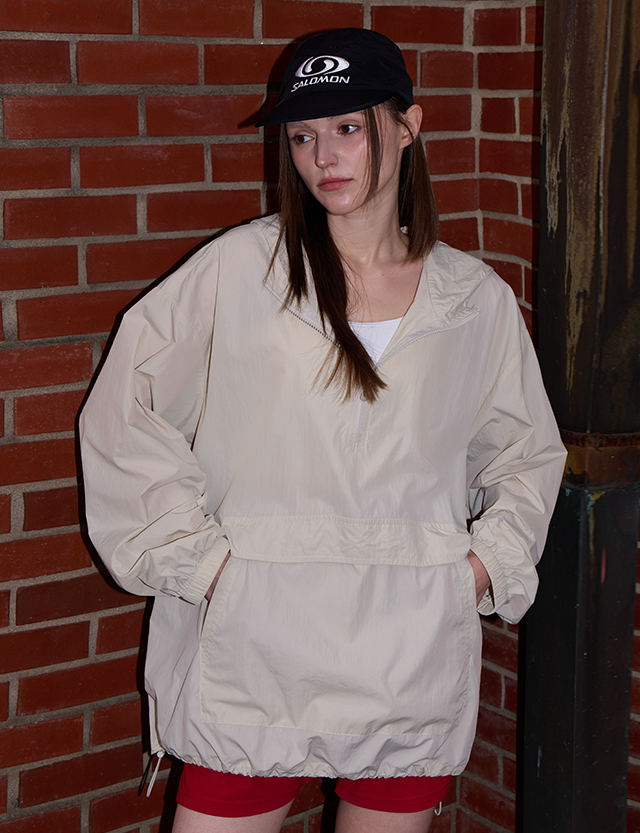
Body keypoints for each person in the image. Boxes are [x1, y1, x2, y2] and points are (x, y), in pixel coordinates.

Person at [79, 28, 566, 833]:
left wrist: (480, 570)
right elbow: (124, 408)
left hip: (406, 651)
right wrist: (206, 568)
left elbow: (524, 452)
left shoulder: (471, 299)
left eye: (347, 127)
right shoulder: (243, 271)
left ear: (408, 125)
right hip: (256, 648)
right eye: (303, 136)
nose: (323, 156)